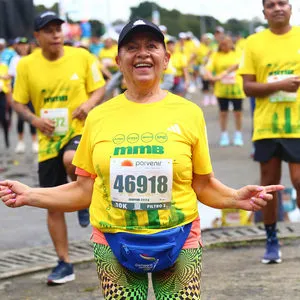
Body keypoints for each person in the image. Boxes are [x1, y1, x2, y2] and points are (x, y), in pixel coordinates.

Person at [0, 19, 283, 298]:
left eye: (152, 46)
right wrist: (30, 195)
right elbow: (82, 189)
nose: (143, 53)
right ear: (119, 60)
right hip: (113, 241)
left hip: (179, 237)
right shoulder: (98, 117)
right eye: (132, 47)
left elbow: (203, 184)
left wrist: (236, 198)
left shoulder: (189, 113)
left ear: (166, 58)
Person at [10, 11, 106, 284]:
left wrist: (88, 105)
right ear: (37, 36)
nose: (56, 35)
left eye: (58, 29)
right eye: (49, 31)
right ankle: (64, 262)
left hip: (79, 130)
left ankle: (82, 199)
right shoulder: (27, 65)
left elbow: (98, 89)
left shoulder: (82, 57)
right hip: (47, 139)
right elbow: (18, 101)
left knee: (72, 158)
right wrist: (33, 119)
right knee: (52, 204)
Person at [239, 0, 300, 264]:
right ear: (264, 12)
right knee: (269, 186)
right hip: (266, 126)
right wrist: (281, 85)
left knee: (299, 180)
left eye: (282, 3)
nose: (277, 8)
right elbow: (248, 88)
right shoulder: (253, 42)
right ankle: (272, 240)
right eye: (271, 4)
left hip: (297, 124)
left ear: (291, 8)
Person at [205, 35, 245, 147]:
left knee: (238, 112)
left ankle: (238, 134)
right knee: (223, 112)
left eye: (227, 44)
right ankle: (224, 134)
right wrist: (209, 75)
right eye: (222, 44)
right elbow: (208, 67)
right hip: (222, 88)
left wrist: (222, 74)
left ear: (231, 44)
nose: (225, 46)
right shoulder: (216, 55)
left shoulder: (238, 52)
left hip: (236, 87)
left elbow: (236, 65)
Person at [8, 37, 38, 154]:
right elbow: (10, 77)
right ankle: (20, 142)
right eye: (20, 45)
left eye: (25, 45)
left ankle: (34, 141)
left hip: (31, 92)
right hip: (18, 91)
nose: (23, 47)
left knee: (32, 115)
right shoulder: (15, 60)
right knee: (20, 118)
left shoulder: (33, 59)